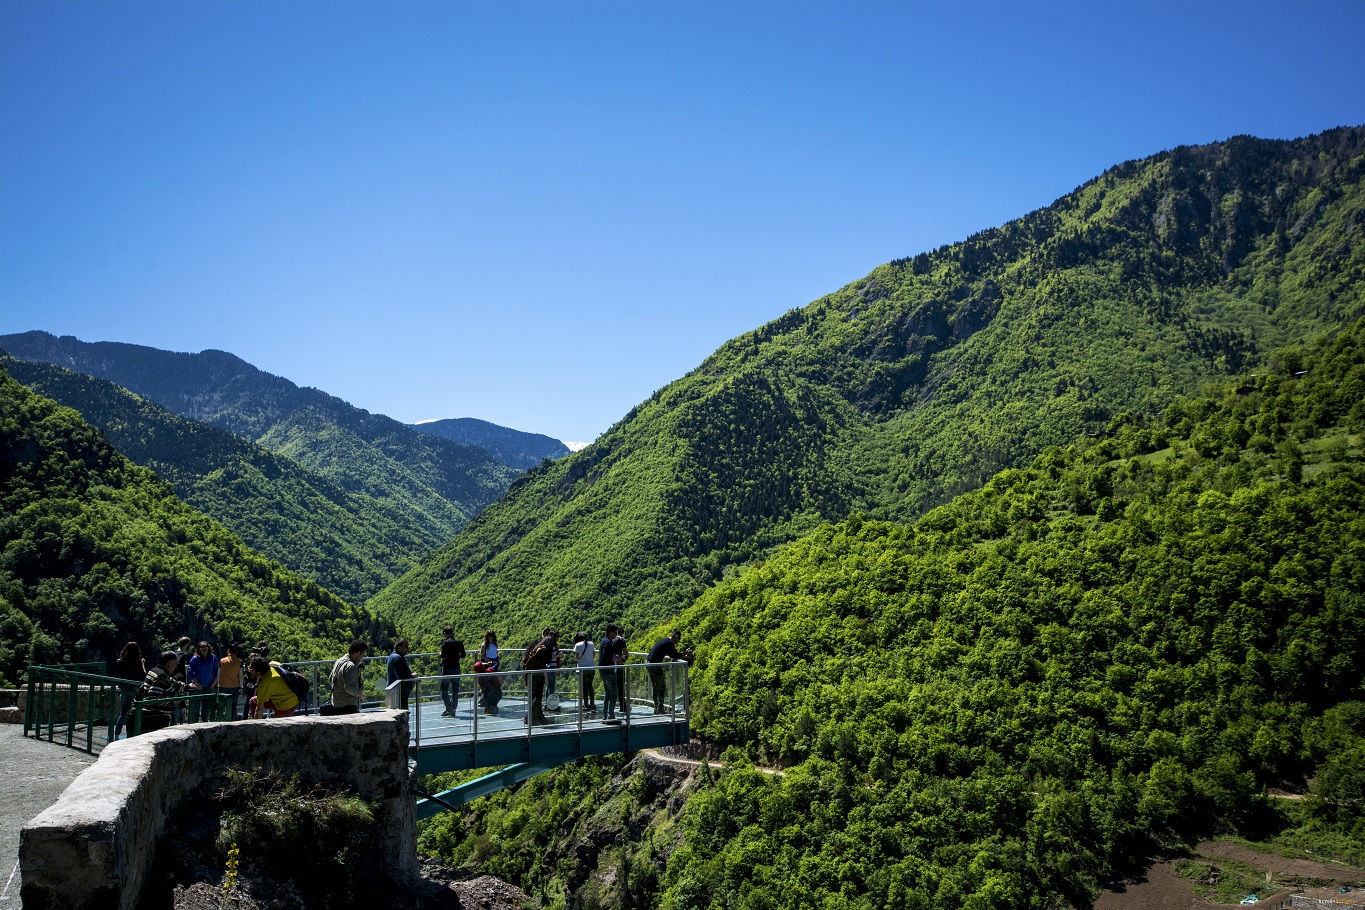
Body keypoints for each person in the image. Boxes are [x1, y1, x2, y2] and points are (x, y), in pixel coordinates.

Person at [135, 650, 186, 734]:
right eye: (175, 663)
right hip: (155, 719)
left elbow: (171, 683)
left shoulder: (155, 670)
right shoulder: (161, 676)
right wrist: (173, 701)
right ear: (170, 662)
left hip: (148, 716)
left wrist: (187, 687)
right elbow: (153, 697)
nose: (176, 666)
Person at [111, 641, 146, 739]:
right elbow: (143, 675)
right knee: (135, 714)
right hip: (135, 690)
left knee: (122, 714)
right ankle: (132, 735)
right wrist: (143, 664)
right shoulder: (138, 662)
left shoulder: (121, 661)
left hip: (124, 689)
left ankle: (116, 736)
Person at [522, 629, 557, 726]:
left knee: (534, 697)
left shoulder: (537, 648)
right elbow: (543, 666)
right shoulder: (544, 651)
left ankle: (533, 718)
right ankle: (534, 718)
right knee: (537, 698)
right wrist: (545, 678)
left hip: (532, 675)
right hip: (538, 676)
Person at [646, 630, 684, 714]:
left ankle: (657, 708)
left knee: (656, 687)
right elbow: (673, 655)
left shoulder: (665, 640)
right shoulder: (670, 643)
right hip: (654, 665)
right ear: (676, 636)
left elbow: (671, 654)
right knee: (662, 687)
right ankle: (660, 709)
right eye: (679, 638)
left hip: (649, 663)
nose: (679, 641)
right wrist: (684, 654)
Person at [328, 640, 367, 714]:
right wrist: (361, 694)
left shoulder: (339, 661)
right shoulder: (351, 666)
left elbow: (331, 679)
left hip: (336, 702)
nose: (363, 656)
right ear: (358, 653)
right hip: (347, 705)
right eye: (363, 653)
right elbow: (349, 688)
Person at [598, 625, 627, 720]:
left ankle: (605, 715)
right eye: (615, 632)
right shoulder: (608, 643)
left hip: (603, 670)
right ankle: (611, 715)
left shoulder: (605, 641)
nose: (616, 634)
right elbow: (606, 658)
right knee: (613, 693)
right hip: (608, 671)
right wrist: (618, 658)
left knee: (607, 694)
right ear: (611, 633)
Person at [186, 641, 219, 722]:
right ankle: (194, 722)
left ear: (208, 648)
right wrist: (196, 682)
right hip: (198, 685)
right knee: (196, 705)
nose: (204, 648)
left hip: (209, 685)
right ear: (199, 649)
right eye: (202, 647)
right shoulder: (195, 658)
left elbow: (215, 670)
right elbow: (191, 671)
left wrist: (214, 681)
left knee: (206, 705)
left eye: (206, 646)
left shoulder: (212, 657)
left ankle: (204, 721)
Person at [439, 627, 466, 718]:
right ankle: (453, 709)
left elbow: (442, 655)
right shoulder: (459, 643)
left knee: (444, 689)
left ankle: (448, 707)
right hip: (456, 668)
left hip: (447, 669)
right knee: (455, 690)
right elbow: (463, 655)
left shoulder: (445, 643)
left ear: (445, 633)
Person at [475, 630, 501, 715]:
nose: (491, 637)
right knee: (489, 680)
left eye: (492, 636)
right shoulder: (484, 644)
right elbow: (481, 654)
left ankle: (488, 701)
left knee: (494, 680)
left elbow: (494, 652)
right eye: (489, 636)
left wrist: (497, 657)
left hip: (494, 661)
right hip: (488, 662)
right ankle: (485, 698)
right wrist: (488, 661)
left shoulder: (494, 644)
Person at [386, 639, 415, 710]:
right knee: (401, 713)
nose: (407, 649)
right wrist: (412, 676)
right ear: (399, 648)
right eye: (406, 647)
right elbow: (401, 676)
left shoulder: (392, 656)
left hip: (394, 691)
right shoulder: (397, 659)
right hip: (398, 693)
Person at [573, 632, 596, 715]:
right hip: (591, 668)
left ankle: (586, 704)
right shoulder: (591, 644)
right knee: (590, 685)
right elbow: (593, 655)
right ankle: (592, 703)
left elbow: (577, 657)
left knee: (584, 687)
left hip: (582, 668)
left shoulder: (577, 645)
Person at [219, 644, 244, 721]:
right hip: (234, 687)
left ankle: (219, 720)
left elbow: (218, 674)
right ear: (237, 652)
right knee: (233, 707)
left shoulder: (222, 661)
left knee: (221, 706)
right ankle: (231, 722)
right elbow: (241, 676)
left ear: (228, 651)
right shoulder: (239, 662)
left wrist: (217, 684)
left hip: (223, 686)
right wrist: (241, 687)